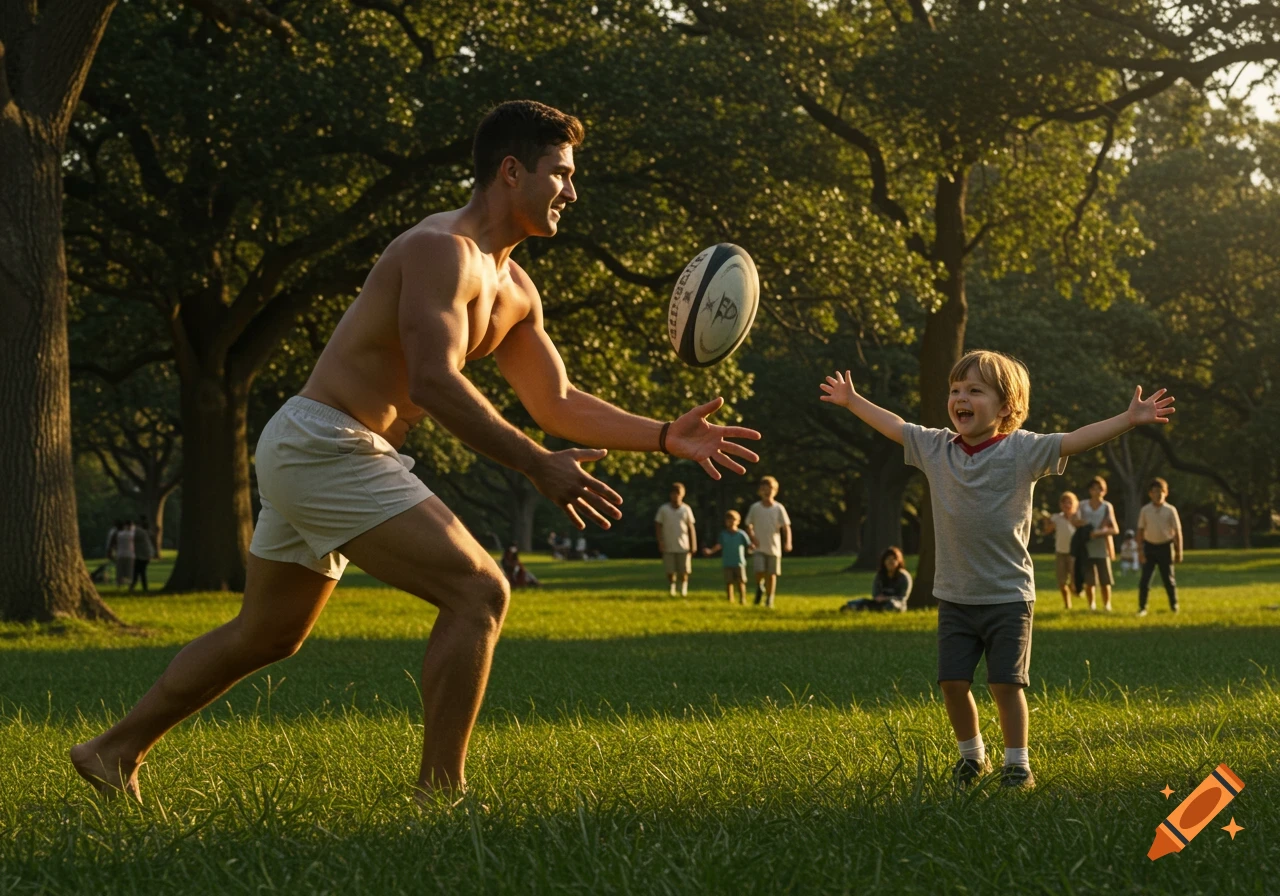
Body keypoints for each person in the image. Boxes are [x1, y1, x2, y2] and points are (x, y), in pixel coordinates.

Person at [72, 100, 761, 803]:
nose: (572, 193)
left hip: (329, 447)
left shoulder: (516, 288)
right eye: (561, 174)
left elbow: (555, 400)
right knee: (480, 590)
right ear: (511, 170)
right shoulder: (441, 250)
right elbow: (434, 381)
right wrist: (535, 462)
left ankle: (112, 751)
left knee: (268, 634)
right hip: (327, 443)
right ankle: (440, 794)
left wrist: (662, 434)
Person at [820, 350, 1174, 790]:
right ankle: (972, 757)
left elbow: (1076, 439)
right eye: (955, 390)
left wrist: (1127, 418)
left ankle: (1017, 764)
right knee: (952, 683)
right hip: (955, 596)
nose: (960, 398)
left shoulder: (1023, 449)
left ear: (1006, 406)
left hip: (1008, 595)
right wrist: (853, 401)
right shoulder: (935, 447)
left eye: (974, 390)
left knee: (1006, 685)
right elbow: (895, 426)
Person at [1137, 477, 1183, 616]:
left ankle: (1174, 604)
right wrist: (1140, 551)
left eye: (1161, 491)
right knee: (1145, 580)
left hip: (1165, 546)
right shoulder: (1145, 510)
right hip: (1150, 546)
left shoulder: (1170, 510)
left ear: (1166, 493)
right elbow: (1140, 530)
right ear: (1150, 493)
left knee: (1168, 579)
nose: (1158, 494)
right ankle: (1142, 607)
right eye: (1155, 491)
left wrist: (1179, 551)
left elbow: (1177, 532)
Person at [1073, 477, 1119, 611]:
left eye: (1100, 488)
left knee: (1105, 580)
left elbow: (1115, 529)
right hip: (1086, 547)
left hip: (1102, 547)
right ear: (1089, 490)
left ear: (1104, 491)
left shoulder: (1106, 506)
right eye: (1094, 488)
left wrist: (1098, 532)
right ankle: (1091, 605)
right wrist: (1085, 527)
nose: (1097, 491)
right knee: (1089, 580)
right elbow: (1074, 521)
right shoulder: (1082, 505)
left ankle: (1107, 605)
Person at [745, 476, 791, 608]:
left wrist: (788, 542)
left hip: (774, 548)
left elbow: (786, 526)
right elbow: (748, 525)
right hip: (758, 547)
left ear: (775, 491)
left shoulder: (778, 508)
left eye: (770, 489)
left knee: (772, 574)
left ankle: (769, 598)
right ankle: (760, 587)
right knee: (759, 571)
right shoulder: (755, 508)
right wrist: (753, 537)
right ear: (760, 491)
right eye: (764, 489)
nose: (767, 492)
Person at [654, 482, 697, 596]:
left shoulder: (686, 509)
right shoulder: (663, 509)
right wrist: (660, 541)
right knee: (670, 570)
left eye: (678, 493)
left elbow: (691, 527)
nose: (676, 496)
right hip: (668, 544)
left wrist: (693, 544)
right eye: (674, 493)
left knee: (684, 570)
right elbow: (658, 525)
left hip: (684, 545)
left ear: (682, 494)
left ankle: (683, 589)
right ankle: (672, 588)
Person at [840, 546, 912, 612]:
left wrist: (886, 598)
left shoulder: (904, 577)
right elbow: (875, 594)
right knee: (861, 602)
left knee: (892, 605)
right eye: (888, 559)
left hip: (896, 604)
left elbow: (902, 598)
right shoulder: (880, 576)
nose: (891, 562)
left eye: (894, 559)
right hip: (880, 602)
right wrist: (879, 598)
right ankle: (852, 607)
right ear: (884, 561)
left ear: (899, 561)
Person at [1038, 491, 1078, 609]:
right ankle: (1067, 605)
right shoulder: (1056, 518)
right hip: (1061, 552)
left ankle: (1076, 589)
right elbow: (1047, 530)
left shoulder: (1078, 518)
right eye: (1064, 503)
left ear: (1074, 504)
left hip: (1074, 553)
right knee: (1062, 582)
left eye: (1069, 502)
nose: (1067, 505)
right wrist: (1046, 521)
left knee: (1075, 581)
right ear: (1061, 505)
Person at [703, 510, 752, 604]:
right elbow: (719, 545)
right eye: (728, 520)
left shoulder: (741, 534)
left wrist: (753, 548)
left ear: (738, 521)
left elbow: (749, 545)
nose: (730, 522)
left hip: (739, 562)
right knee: (729, 582)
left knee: (741, 581)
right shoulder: (723, 534)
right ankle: (730, 598)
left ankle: (742, 599)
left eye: (733, 520)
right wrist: (710, 551)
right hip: (727, 562)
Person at [130, 521, 157, 593]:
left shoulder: (139, 532)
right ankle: (142, 587)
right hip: (144, 555)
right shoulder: (145, 533)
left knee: (138, 571)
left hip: (142, 556)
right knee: (141, 572)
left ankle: (134, 586)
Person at [110, 520, 136, 589]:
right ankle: (130, 584)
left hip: (120, 554)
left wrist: (111, 551)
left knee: (120, 571)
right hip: (130, 554)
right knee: (129, 571)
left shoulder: (118, 534)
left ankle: (119, 584)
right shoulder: (132, 534)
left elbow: (113, 543)